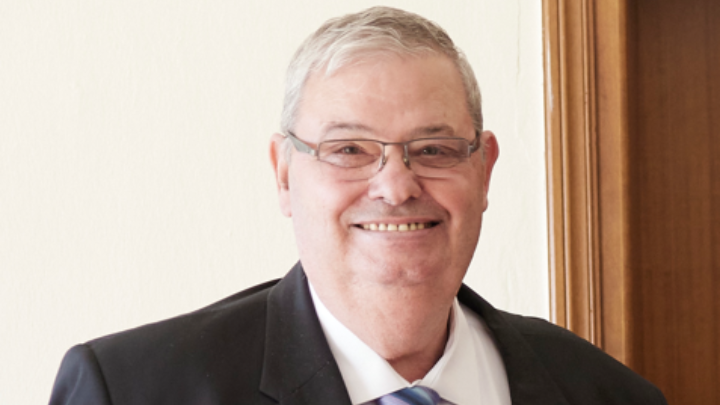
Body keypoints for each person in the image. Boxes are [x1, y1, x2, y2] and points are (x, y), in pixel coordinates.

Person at [49, 6, 667, 405]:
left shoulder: (611, 395)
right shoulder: (130, 390)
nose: (396, 186)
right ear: (284, 174)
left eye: (433, 149)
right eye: (348, 149)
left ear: (484, 171)